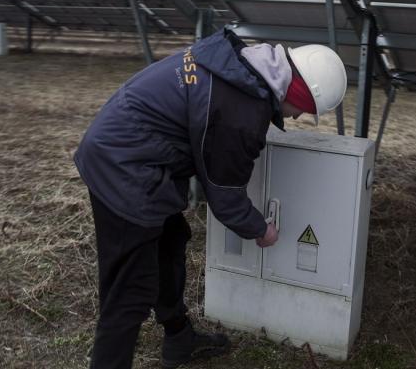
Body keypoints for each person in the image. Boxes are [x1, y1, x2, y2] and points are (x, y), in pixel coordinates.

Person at [74, 26, 347, 369]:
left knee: (170, 242)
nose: (297, 117)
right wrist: (261, 230)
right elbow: (226, 196)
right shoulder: (240, 109)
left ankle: (179, 338)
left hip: (134, 152)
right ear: (300, 93)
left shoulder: (239, 66)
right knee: (129, 291)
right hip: (124, 167)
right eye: (303, 110)